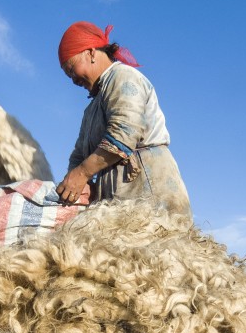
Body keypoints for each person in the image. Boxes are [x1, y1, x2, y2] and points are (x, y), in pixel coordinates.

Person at [53, 22, 191, 218]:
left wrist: (83, 174)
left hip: (148, 187)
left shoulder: (123, 77)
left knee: (159, 244)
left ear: (91, 53)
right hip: (115, 196)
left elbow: (124, 133)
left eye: (71, 69)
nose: (73, 80)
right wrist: (76, 182)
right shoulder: (91, 108)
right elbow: (79, 154)